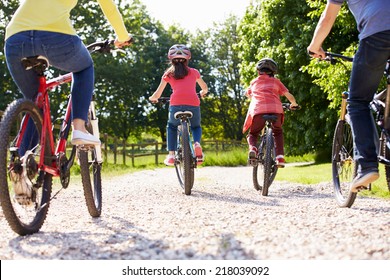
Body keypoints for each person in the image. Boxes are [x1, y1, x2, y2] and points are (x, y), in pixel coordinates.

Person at [4, 0, 132, 202]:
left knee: (35, 103)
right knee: (84, 67)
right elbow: (108, 6)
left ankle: (20, 167)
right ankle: (79, 127)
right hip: (55, 37)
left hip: (14, 40)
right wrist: (123, 37)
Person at [307, 0, 390, 192]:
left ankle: (367, 166)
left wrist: (315, 46)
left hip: (377, 34)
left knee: (358, 102)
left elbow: (327, 18)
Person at [149, 44, 208, 166]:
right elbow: (204, 88)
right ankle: (197, 143)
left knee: (171, 127)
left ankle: (171, 155)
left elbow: (158, 93)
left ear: (171, 59)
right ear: (187, 59)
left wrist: (153, 98)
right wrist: (203, 92)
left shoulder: (168, 74)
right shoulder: (194, 72)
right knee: (196, 126)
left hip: (176, 104)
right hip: (193, 103)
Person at [242, 58, 298, 168]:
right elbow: (289, 95)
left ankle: (253, 148)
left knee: (253, 134)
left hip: (258, 112)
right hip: (276, 111)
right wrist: (294, 104)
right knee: (277, 132)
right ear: (273, 72)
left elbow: (246, 93)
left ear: (258, 71)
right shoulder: (276, 81)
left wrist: (252, 96)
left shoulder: (254, 82)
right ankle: (280, 157)